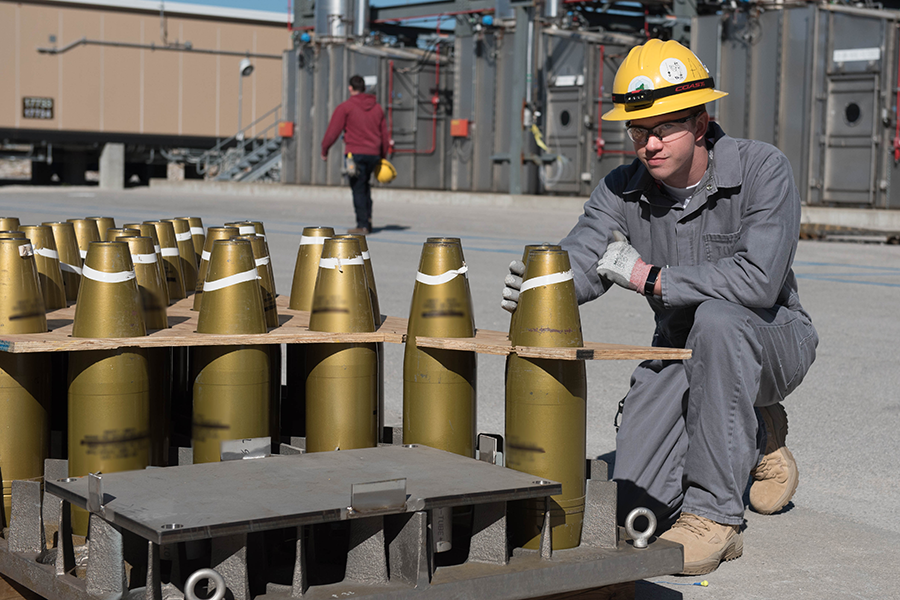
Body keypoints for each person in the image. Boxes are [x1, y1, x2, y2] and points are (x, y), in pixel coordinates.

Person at [501, 39, 818, 575]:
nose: (648, 144)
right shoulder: (622, 190)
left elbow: (760, 282)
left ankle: (715, 517)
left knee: (720, 320)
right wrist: (544, 283)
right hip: (681, 348)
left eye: (663, 128)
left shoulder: (763, 168)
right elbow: (584, 254)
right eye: (638, 130)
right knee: (634, 512)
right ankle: (759, 436)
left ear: (699, 123)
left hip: (772, 340)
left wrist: (650, 277)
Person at [321, 74, 391, 234]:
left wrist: (324, 150)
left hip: (355, 154)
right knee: (366, 187)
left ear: (350, 88)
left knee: (358, 188)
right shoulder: (377, 108)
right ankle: (368, 220)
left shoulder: (346, 107)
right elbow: (384, 134)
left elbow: (333, 131)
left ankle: (362, 225)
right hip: (373, 154)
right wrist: (383, 157)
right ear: (364, 88)